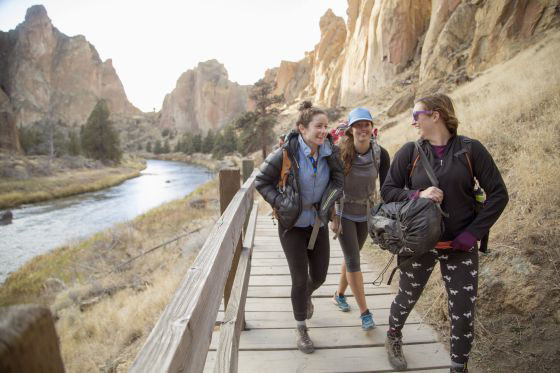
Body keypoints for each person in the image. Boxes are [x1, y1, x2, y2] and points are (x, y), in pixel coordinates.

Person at [380, 93, 509, 373]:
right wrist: (418, 193)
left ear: (435, 115)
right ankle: (393, 336)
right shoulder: (410, 152)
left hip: (459, 245)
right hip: (418, 242)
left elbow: (498, 194)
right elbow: (387, 191)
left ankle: (458, 366)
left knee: (462, 312)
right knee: (407, 296)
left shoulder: (470, 150)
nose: (413, 122)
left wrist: (473, 234)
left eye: (417, 115)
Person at [255, 101, 344, 354]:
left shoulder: (330, 151)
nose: (323, 131)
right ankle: (301, 327)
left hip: (318, 223)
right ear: (302, 129)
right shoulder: (286, 152)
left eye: (326, 126)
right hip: (291, 224)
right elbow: (262, 181)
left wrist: (333, 210)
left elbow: (338, 182)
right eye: (318, 126)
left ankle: (306, 295)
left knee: (319, 276)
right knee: (298, 278)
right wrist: (281, 202)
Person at [329, 108, 390, 331]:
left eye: (366, 124)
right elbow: (331, 186)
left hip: (365, 213)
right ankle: (365, 313)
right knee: (354, 260)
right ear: (351, 129)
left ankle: (338, 295)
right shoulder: (339, 153)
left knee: (351, 255)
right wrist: (333, 216)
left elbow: (387, 187)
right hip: (343, 213)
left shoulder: (380, 153)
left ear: (371, 127)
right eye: (358, 125)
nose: (363, 129)